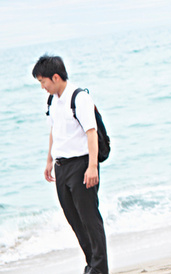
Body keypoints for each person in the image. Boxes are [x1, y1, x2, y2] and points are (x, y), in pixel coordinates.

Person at [33, 55, 108, 274]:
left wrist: (92, 166)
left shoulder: (79, 97)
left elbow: (91, 133)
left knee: (90, 219)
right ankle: (91, 264)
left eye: (43, 82)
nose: (42, 87)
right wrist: (49, 160)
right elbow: (54, 131)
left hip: (81, 165)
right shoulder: (52, 101)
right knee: (74, 220)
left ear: (55, 77)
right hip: (61, 166)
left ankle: (100, 269)